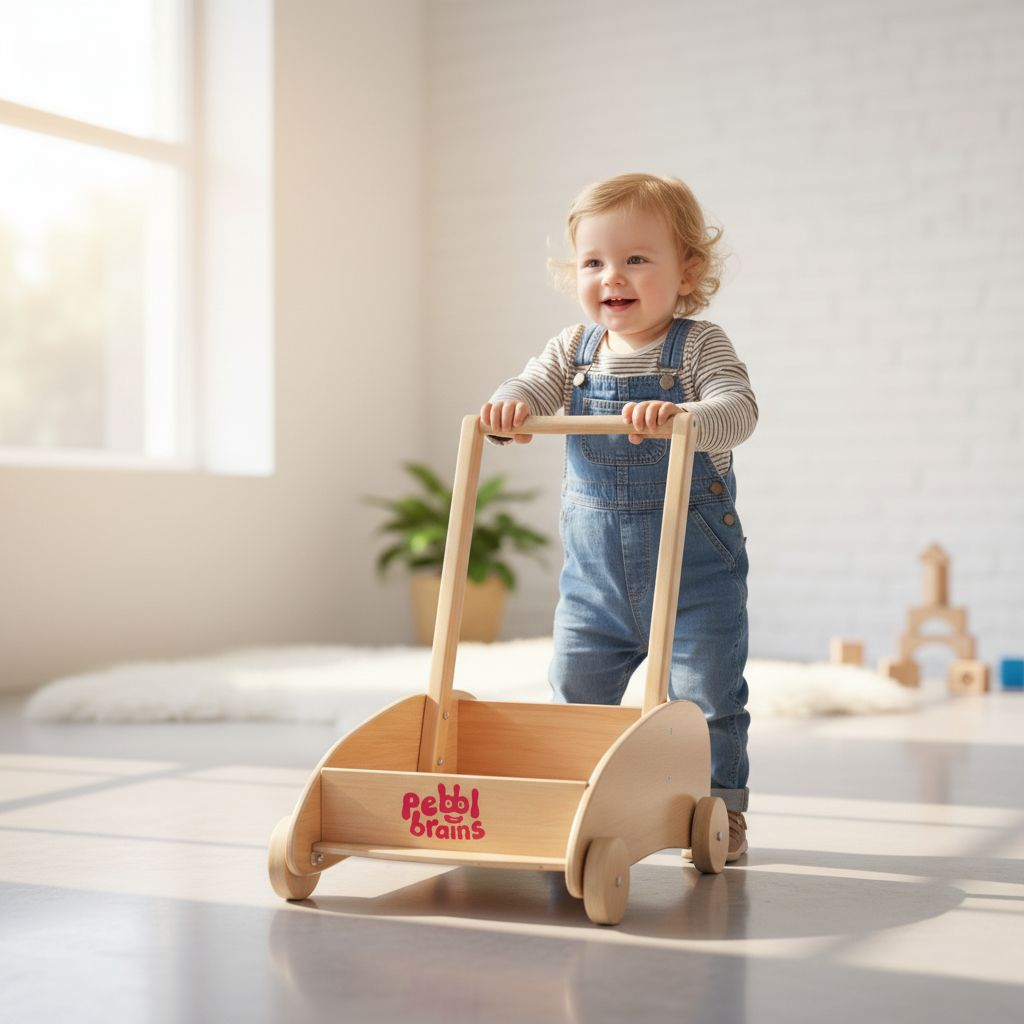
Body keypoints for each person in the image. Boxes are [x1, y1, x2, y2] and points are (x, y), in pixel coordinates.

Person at [480, 173, 758, 861]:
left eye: (637, 258)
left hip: (694, 579)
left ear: (687, 269)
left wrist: (685, 416)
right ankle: (577, 796)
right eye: (594, 262)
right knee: (575, 696)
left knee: (708, 702)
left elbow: (739, 409)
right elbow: (525, 387)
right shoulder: (570, 352)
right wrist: (509, 408)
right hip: (594, 587)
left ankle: (720, 811)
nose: (614, 276)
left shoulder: (698, 347)